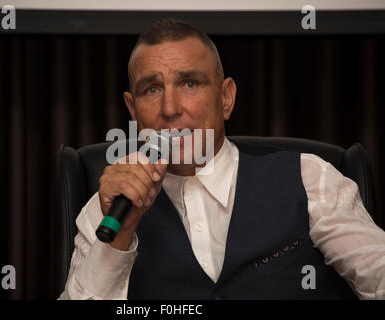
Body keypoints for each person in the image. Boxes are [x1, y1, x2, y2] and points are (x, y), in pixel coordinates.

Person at [59, 18, 385, 300]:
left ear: (226, 97)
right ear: (132, 110)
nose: (170, 109)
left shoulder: (310, 178)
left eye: (189, 83)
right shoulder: (107, 210)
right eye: (152, 89)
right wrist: (118, 239)